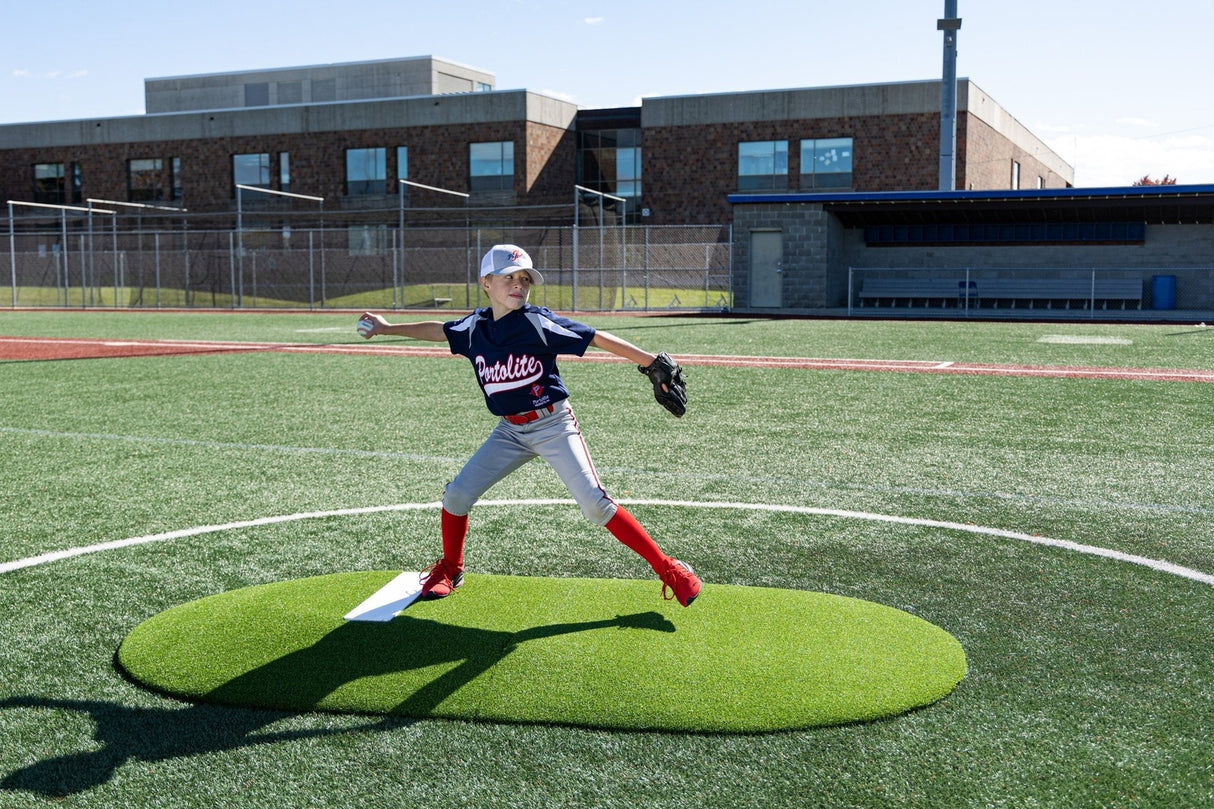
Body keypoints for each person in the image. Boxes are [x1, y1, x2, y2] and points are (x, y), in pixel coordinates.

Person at [356, 244, 701, 606]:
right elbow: (439, 330)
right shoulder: (475, 327)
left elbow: (593, 336)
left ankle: (669, 569)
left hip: (553, 424)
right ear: (486, 283)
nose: (519, 284)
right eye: (509, 277)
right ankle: (451, 567)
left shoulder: (536, 322)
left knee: (595, 506)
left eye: (525, 279)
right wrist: (385, 327)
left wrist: (650, 364)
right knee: (457, 495)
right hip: (510, 431)